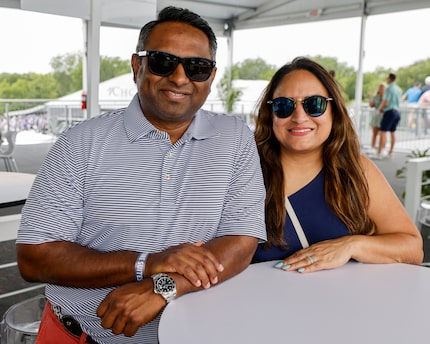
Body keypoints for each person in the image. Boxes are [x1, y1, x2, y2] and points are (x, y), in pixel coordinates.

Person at [16, 6, 266, 344]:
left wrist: (161, 288)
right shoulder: (80, 143)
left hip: (196, 335)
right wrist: (147, 263)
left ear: (212, 76)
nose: (180, 78)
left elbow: (241, 240)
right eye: (164, 62)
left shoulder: (234, 137)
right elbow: (34, 257)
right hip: (81, 335)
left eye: (197, 67)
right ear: (138, 65)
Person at [252, 57, 423, 273]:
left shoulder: (357, 170)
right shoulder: (245, 171)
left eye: (314, 104)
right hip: (262, 303)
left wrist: (351, 246)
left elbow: (412, 247)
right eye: (284, 105)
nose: (299, 117)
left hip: (345, 304)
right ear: (271, 114)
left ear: (334, 110)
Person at [376, 73, 402, 159]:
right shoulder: (399, 89)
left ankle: (380, 152)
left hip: (389, 112)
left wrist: (380, 109)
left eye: (387, 78)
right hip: (397, 112)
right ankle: (390, 152)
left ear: (390, 79)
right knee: (392, 132)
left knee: (383, 132)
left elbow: (386, 101)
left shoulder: (389, 89)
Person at [367, 83, 385, 154]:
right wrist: (370, 98)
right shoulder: (376, 97)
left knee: (382, 134)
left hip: (383, 117)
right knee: (374, 133)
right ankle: (373, 147)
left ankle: (382, 148)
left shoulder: (386, 97)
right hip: (376, 116)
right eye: (380, 88)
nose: (381, 89)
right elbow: (371, 105)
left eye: (382, 88)